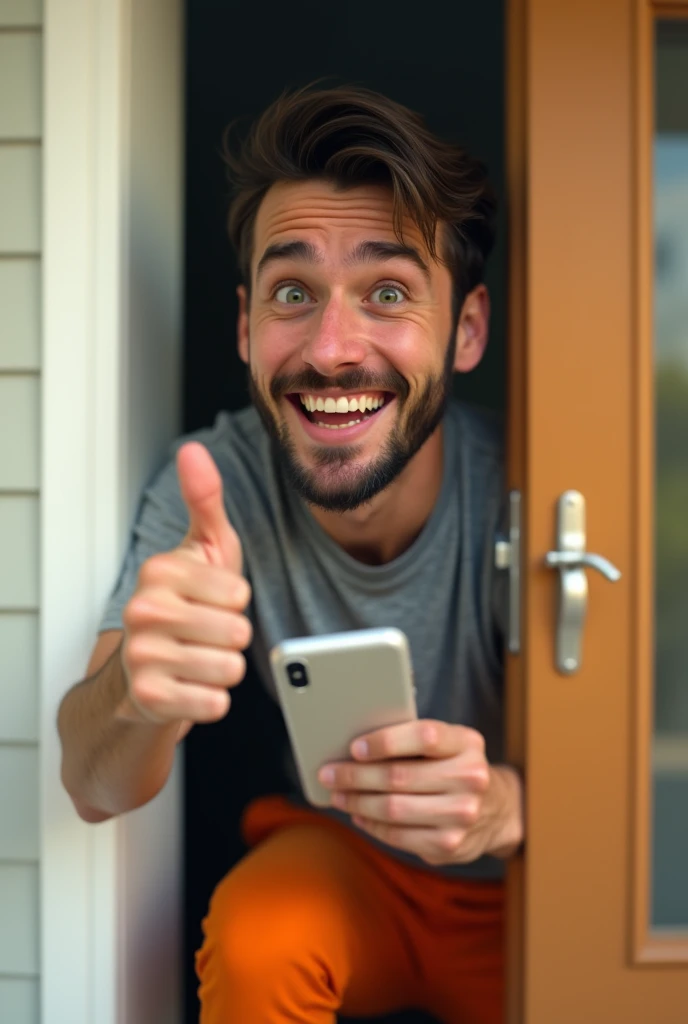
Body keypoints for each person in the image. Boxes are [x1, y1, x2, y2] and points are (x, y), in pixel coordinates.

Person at [57, 85, 524, 1024]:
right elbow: (92, 781)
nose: (331, 348)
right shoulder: (212, 482)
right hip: (346, 868)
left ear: (467, 331)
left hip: (535, 886)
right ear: (244, 326)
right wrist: (140, 693)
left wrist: (512, 808)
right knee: (259, 937)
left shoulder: (539, 484)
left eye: (387, 292)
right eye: (292, 294)